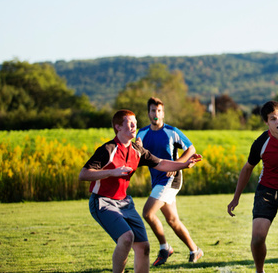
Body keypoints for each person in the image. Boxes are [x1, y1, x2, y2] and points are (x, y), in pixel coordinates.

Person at [79, 109, 202, 273]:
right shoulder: (108, 149)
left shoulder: (137, 150)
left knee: (143, 247)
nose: (134, 126)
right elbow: (84, 174)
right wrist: (111, 172)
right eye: (130, 123)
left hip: (125, 203)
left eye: (135, 123)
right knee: (126, 238)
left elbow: (162, 163)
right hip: (103, 201)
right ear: (118, 127)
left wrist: (184, 165)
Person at [227, 101, 278, 273]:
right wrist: (236, 197)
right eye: (273, 119)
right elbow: (247, 168)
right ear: (266, 123)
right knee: (257, 239)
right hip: (267, 192)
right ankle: (259, 271)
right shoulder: (261, 143)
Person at [135, 97, 203, 266]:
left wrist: (178, 164)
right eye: (152, 110)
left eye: (159, 111)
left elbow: (191, 148)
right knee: (172, 220)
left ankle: (165, 248)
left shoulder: (172, 131)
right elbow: (136, 151)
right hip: (157, 180)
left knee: (148, 213)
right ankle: (195, 250)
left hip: (171, 179)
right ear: (148, 113)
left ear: (163, 113)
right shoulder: (142, 134)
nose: (156, 114)